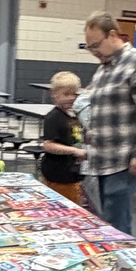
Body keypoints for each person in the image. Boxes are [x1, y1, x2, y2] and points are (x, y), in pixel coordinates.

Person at [84, 12, 136, 234]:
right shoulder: (103, 69)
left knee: (116, 226)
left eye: (96, 45)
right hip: (101, 160)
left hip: (124, 161)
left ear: (112, 35)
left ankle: (122, 267)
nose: (93, 51)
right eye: (88, 47)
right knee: (105, 222)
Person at [41, 72, 86, 204]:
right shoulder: (54, 117)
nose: (71, 98)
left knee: (75, 205)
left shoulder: (76, 115)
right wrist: (73, 150)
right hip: (58, 173)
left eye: (75, 94)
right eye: (66, 94)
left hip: (74, 172)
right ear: (54, 94)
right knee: (65, 207)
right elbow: (48, 145)